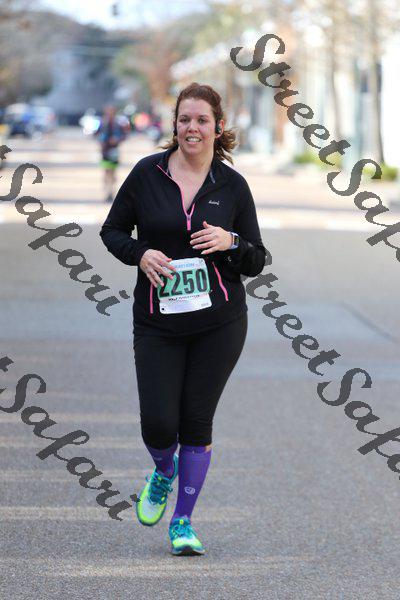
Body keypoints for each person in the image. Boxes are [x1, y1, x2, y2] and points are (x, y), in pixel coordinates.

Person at [99, 82, 266, 556]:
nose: (193, 128)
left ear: (218, 127)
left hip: (220, 323)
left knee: (196, 422)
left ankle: (183, 522)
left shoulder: (232, 186)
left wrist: (232, 242)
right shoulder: (146, 174)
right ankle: (163, 470)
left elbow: (258, 258)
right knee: (158, 423)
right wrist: (140, 254)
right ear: (174, 125)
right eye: (185, 119)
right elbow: (112, 231)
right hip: (158, 322)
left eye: (202, 120)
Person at [95, 105, 127, 202]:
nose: (110, 114)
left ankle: (111, 191)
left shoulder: (118, 124)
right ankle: (107, 190)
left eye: (112, 112)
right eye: (108, 111)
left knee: (113, 171)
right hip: (105, 151)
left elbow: (124, 136)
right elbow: (96, 134)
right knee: (106, 171)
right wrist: (101, 141)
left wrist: (117, 140)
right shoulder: (102, 123)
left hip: (114, 151)